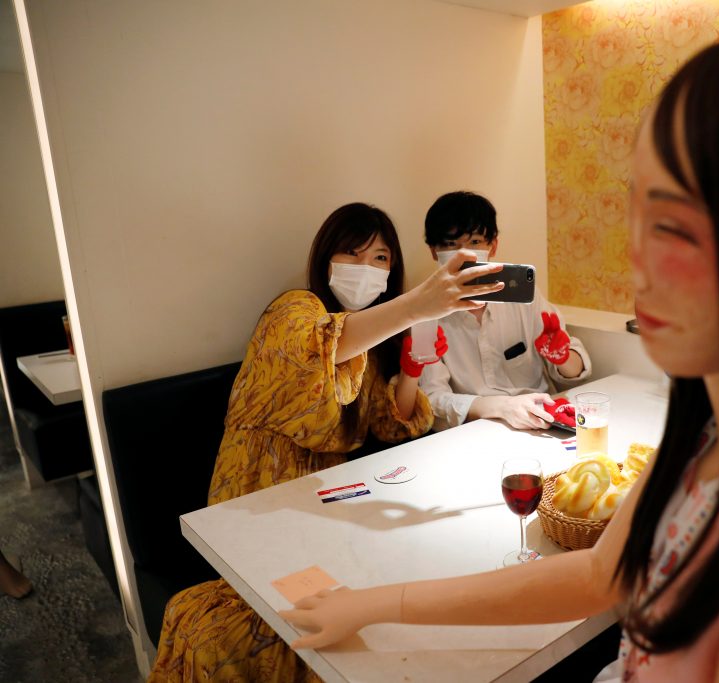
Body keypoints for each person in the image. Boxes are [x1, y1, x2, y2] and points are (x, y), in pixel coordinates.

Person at [281, 28, 719, 683]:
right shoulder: (711, 432)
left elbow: (570, 374)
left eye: (672, 224)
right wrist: (377, 603)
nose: (634, 258)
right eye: (634, 210)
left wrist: (554, 349)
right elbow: (602, 572)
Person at [149, 202, 504, 682]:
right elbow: (320, 346)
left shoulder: (375, 341)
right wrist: (420, 304)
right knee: (288, 622)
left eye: (379, 259)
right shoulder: (294, 307)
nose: (365, 268)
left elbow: (394, 422)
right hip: (260, 489)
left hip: (332, 500)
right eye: (351, 253)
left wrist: (413, 370)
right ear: (325, 258)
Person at [419, 191, 593, 431]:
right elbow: (432, 398)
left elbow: (574, 372)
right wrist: (501, 407)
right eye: (450, 244)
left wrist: (562, 357)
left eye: (475, 242)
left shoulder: (524, 297)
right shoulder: (425, 312)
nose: (463, 253)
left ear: (493, 245)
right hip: (474, 430)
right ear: (433, 251)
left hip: (540, 421)